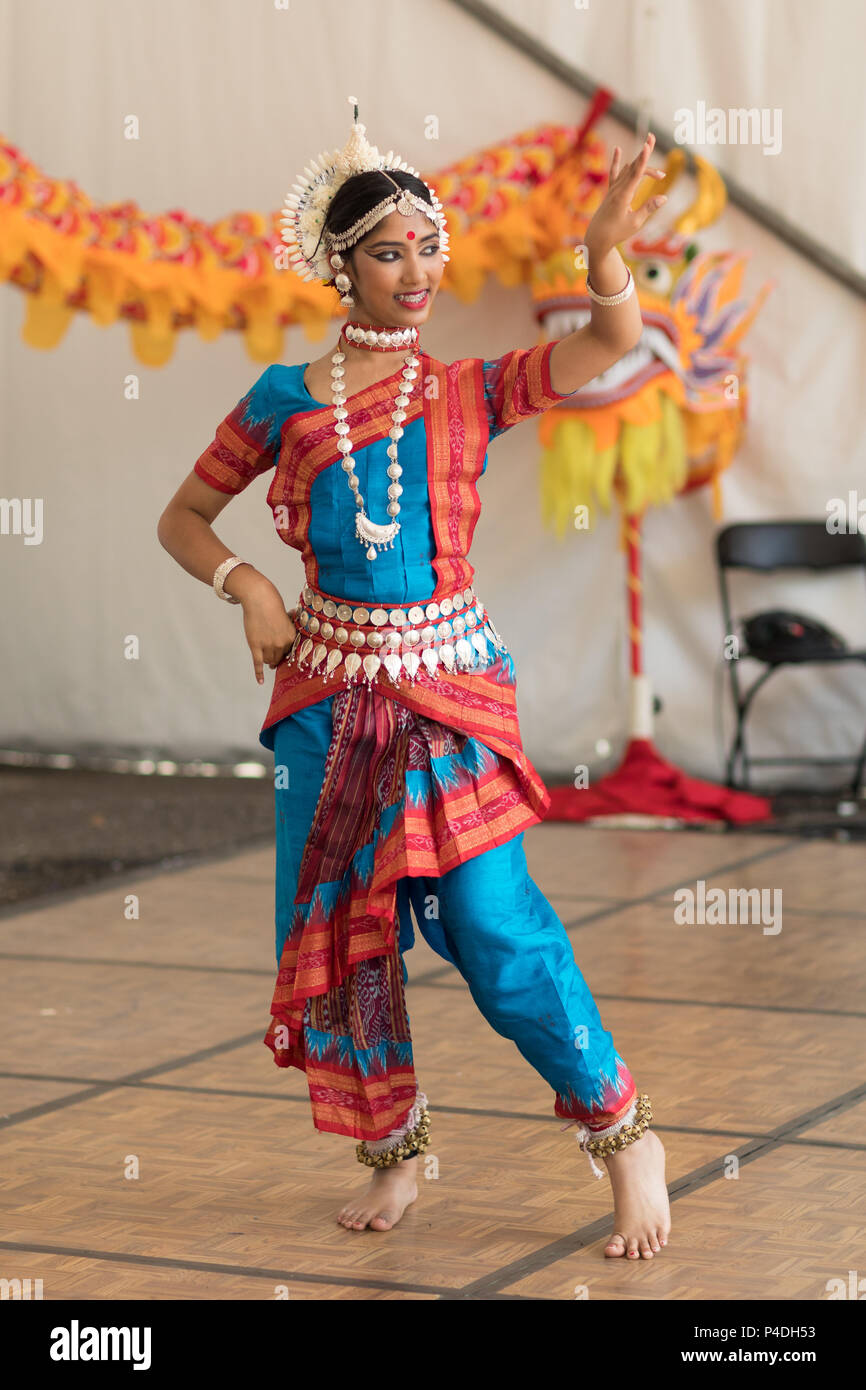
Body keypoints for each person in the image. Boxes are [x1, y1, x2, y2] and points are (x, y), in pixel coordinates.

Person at [157, 100, 671, 1260]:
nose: (418, 270)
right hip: (324, 702)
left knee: (490, 926)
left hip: (447, 693)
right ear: (339, 267)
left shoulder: (468, 390)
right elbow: (182, 517)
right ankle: (391, 1149)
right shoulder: (283, 401)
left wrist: (601, 254)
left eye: (430, 246)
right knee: (347, 931)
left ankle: (619, 1128)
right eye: (390, 250)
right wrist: (247, 585)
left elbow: (606, 347)